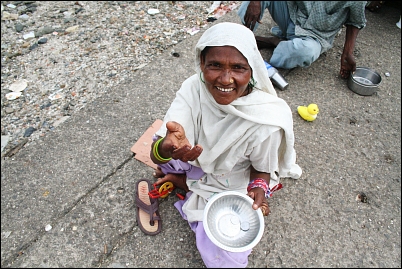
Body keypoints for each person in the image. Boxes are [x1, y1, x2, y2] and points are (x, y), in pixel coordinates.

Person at [149, 22, 302, 268]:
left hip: (231, 178)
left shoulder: (266, 120)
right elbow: (159, 149)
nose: (225, 79)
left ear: (252, 71)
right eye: (215, 65)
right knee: (171, 159)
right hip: (193, 156)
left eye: (238, 68)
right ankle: (185, 180)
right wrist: (163, 150)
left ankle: (184, 182)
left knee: (224, 254)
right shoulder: (193, 89)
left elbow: (261, 170)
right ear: (202, 64)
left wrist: (259, 189)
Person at [237, 1, 367, 78]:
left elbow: (355, 21)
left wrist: (347, 52)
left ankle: (273, 42)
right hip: (293, 15)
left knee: (306, 52)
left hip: (316, 36)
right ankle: (238, 39)